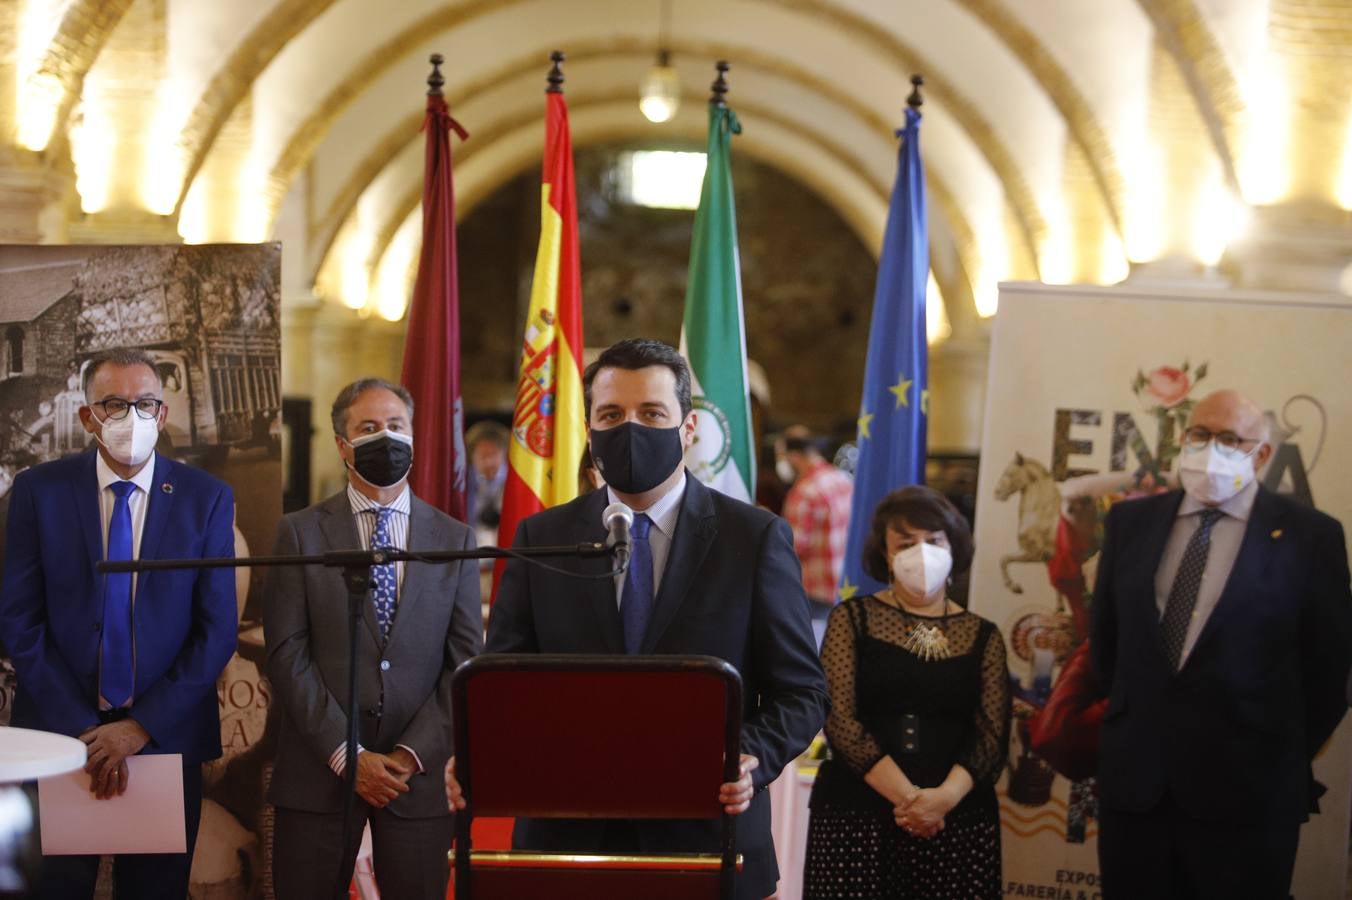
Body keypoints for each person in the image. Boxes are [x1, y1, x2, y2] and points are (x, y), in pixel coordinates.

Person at [447, 337, 828, 900]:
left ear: (688, 428)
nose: (630, 428)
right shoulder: (542, 537)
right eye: (611, 415)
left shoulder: (753, 538)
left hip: (707, 834)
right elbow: (503, 677)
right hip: (566, 834)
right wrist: (478, 750)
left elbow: (803, 692)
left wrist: (751, 756)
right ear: (590, 427)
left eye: (651, 413)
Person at [1091, 388, 1352, 900]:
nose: (1212, 448)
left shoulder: (1310, 536)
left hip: (1248, 795)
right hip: (1138, 791)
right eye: (1201, 434)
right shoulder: (1130, 523)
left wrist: (1270, 744)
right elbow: (1108, 645)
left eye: (1231, 438)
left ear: (1264, 454)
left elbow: (1329, 668)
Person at [0, 348, 237, 899]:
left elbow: (217, 629)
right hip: (61, 740)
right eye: (115, 404)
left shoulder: (206, 498)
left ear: (163, 413)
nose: (134, 417)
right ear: (88, 417)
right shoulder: (39, 492)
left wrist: (138, 727)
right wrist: (85, 732)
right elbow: (19, 620)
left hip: (164, 737)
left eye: (147, 403)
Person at [264, 377, 483, 899]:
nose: (385, 437)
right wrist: (347, 754)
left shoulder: (454, 538)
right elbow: (286, 653)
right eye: (368, 428)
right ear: (343, 445)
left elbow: (465, 663)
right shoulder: (299, 533)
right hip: (319, 779)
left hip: (416, 782)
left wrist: (409, 756)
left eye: (396, 426)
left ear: (413, 436)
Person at [804, 485, 1010, 899]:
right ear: (885, 553)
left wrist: (940, 802)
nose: (922, 552)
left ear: (954, 548)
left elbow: (992, 735)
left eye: (933, 541)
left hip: (957, 821)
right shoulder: (853, 619)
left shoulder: (983, 635)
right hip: (857, 816)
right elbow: (838, 719)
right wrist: (911, 801)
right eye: (906, 542)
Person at [780, 426, 854, 645]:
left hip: (815, 591)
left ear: (793, 455)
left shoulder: (804, 492)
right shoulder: (841, 479)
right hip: (843, 584)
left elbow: (793, 546)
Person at [464, 419, 508, 554]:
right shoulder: (463, 482)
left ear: (504, 454)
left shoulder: (516, 481)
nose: (488, 462)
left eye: (493, 454)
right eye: (482, 455)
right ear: (472, 457)